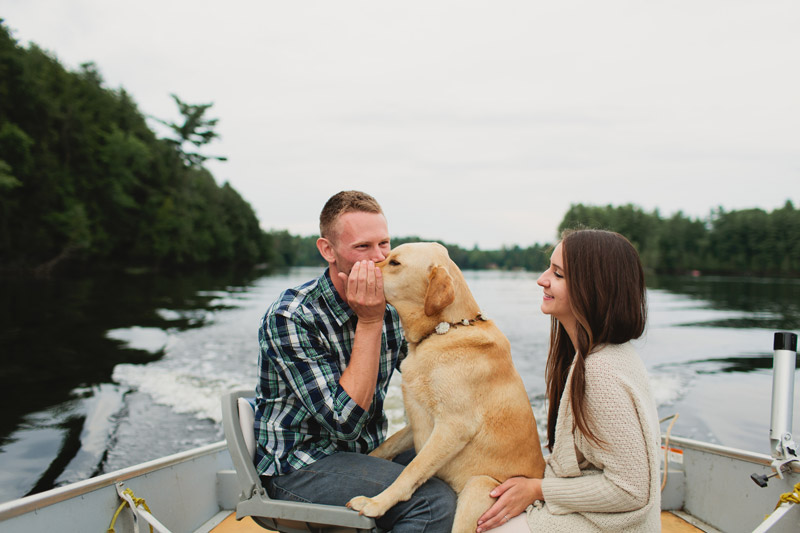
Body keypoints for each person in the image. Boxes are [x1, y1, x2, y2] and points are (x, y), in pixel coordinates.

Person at [253, 190, 457, 533]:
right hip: (298, 466)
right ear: (327, 251)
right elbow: (344, 421)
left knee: (456, 473)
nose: (378, 258)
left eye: (384, 244)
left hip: (366, 454)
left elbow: (439, 384)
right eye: (363, 247)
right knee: (432, 502)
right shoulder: (290, 317)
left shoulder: (393, 309)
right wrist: (369, 322)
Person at [476, 229, 661, 532]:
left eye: (558, 274)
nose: (542, 279)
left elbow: (631, 489)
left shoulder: (600, 372)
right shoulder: (607, 353)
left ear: (593, 288)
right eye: (549, 268)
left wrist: (537, 490)